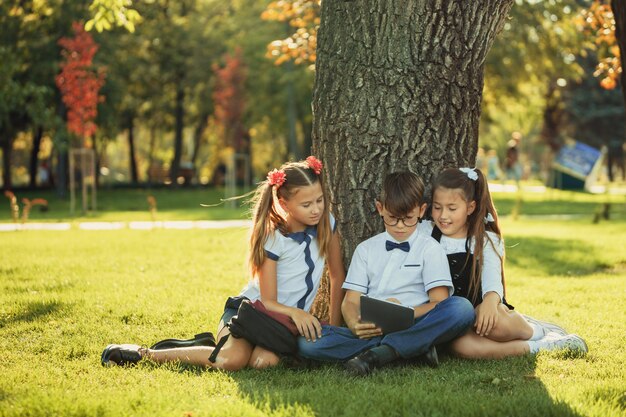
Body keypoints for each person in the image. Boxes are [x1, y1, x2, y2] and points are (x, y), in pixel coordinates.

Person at [101, 156, 345, 370]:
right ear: (283, 204)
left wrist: (334, 332)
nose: (316, 210)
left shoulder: (327, 224)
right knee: (230, 361)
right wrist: (297, 313)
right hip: (248, 312)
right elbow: (267, 302)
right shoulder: (273, 239)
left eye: (320, 200)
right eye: (307, 204)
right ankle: (145, 354)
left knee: (264, 364)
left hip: (280, 325)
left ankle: (206, 347)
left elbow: (336, 277)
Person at [298, 172, 475, 376]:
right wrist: (355, 324)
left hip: (414, 322)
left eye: (408, 219)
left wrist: (403, 312)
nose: (400, 226)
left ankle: (380, 354)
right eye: (392, 219)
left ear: (421, 210)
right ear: (380, 209)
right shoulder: (366, 250)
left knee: (462, 308)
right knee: (307, 343)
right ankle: (412, 350)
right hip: (374, 330)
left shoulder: (430, 249)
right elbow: (350, 301)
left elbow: (439, 303)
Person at [420, 167, 588, 359]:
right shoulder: (425, 233)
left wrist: (491, 302)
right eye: (437, 207)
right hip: (453, 321)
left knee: (494, 323)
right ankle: (543, 346)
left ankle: (537, 330)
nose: (443, 215)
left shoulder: (485, 240)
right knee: (463, 348)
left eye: (452, 208)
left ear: (470, 208)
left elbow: (492, 282)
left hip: (484, 311)